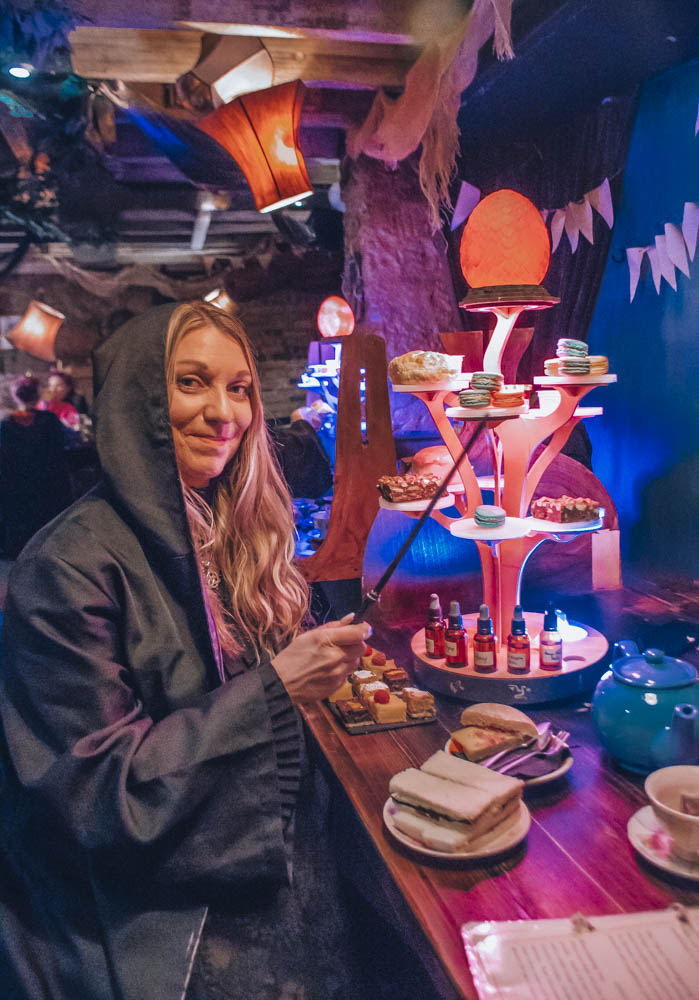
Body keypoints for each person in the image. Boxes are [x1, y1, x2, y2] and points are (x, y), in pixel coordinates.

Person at [0, 302, 370, 1000]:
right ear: (137, 398)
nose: (222, 413)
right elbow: (96, 793)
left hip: (263, 842)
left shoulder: (232, 530)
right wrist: (276, 689)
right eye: (191, 382)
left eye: (239, 389)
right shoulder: (66, 566)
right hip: (146, 906)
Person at [0, 374, 73, 557]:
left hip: (16, 491)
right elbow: (67, 442)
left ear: (15, 396)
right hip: (48, 488)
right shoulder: (49, 420)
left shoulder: (5, 425)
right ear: (38, 395)